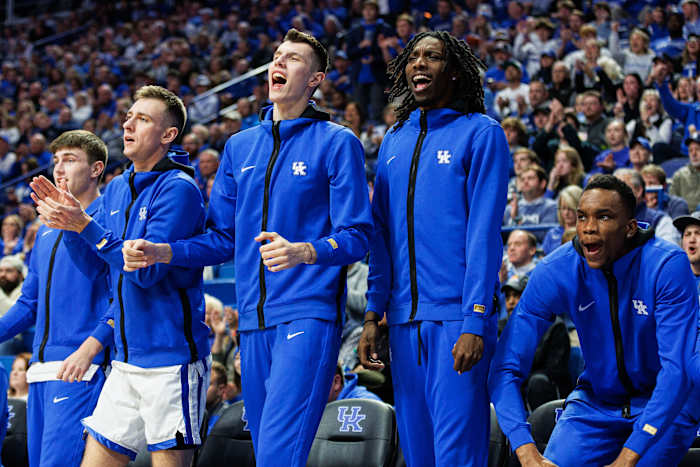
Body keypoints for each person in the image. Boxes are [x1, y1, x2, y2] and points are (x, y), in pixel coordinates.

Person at [121, 30, 373, 467]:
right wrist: (166, 252)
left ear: (315, 79)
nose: (279, 63)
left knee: (277, 451)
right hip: (254, 319)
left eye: (293, 59)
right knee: (268, 452)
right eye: (277, 56)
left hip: (307, 311)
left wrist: (305, 252)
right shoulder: (239, 147)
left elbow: (358, 235)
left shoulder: (337, 141)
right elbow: (223, 238)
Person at [31, 86, 210, 467]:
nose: (128, 123)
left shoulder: (179, 190)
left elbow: (144, 273)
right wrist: (70, 224)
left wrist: (86, 225)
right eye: (128, 116)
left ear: (168, 135)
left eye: (142, 118)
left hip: (170, 359)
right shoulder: (117, 186)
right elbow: (96, 265)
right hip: (125, 361)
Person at [358, 30, 509, 466]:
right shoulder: (394, 138)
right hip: (402, 323)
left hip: (455, 321)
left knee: (458, 455)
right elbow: (380, 235)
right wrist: (373, 314)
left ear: (455, 73)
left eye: (433, 57)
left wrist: (475, 321)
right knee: (418, 454)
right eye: (414, 57)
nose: (419, 64)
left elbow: (483, 235)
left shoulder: (481, 134)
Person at [489, 175, 699, 467]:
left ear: (629, 228)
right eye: (582, 217)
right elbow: (505, 367)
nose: (588, 228)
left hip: (665, 403)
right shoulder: (556, 269)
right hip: (596, 404)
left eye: (603, 217)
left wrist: (627, 457)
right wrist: (526, 451)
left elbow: (676, 371)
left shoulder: (667, 265)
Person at [0, 130, 113, 467]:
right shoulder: (46, 228)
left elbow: (121, 296)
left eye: (70, 160)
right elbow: (29, 303)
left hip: (81, 367)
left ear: (96, 169)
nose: (59, 169)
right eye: (56, 161)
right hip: (40, 369)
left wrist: (91, 347)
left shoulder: (107, 218)